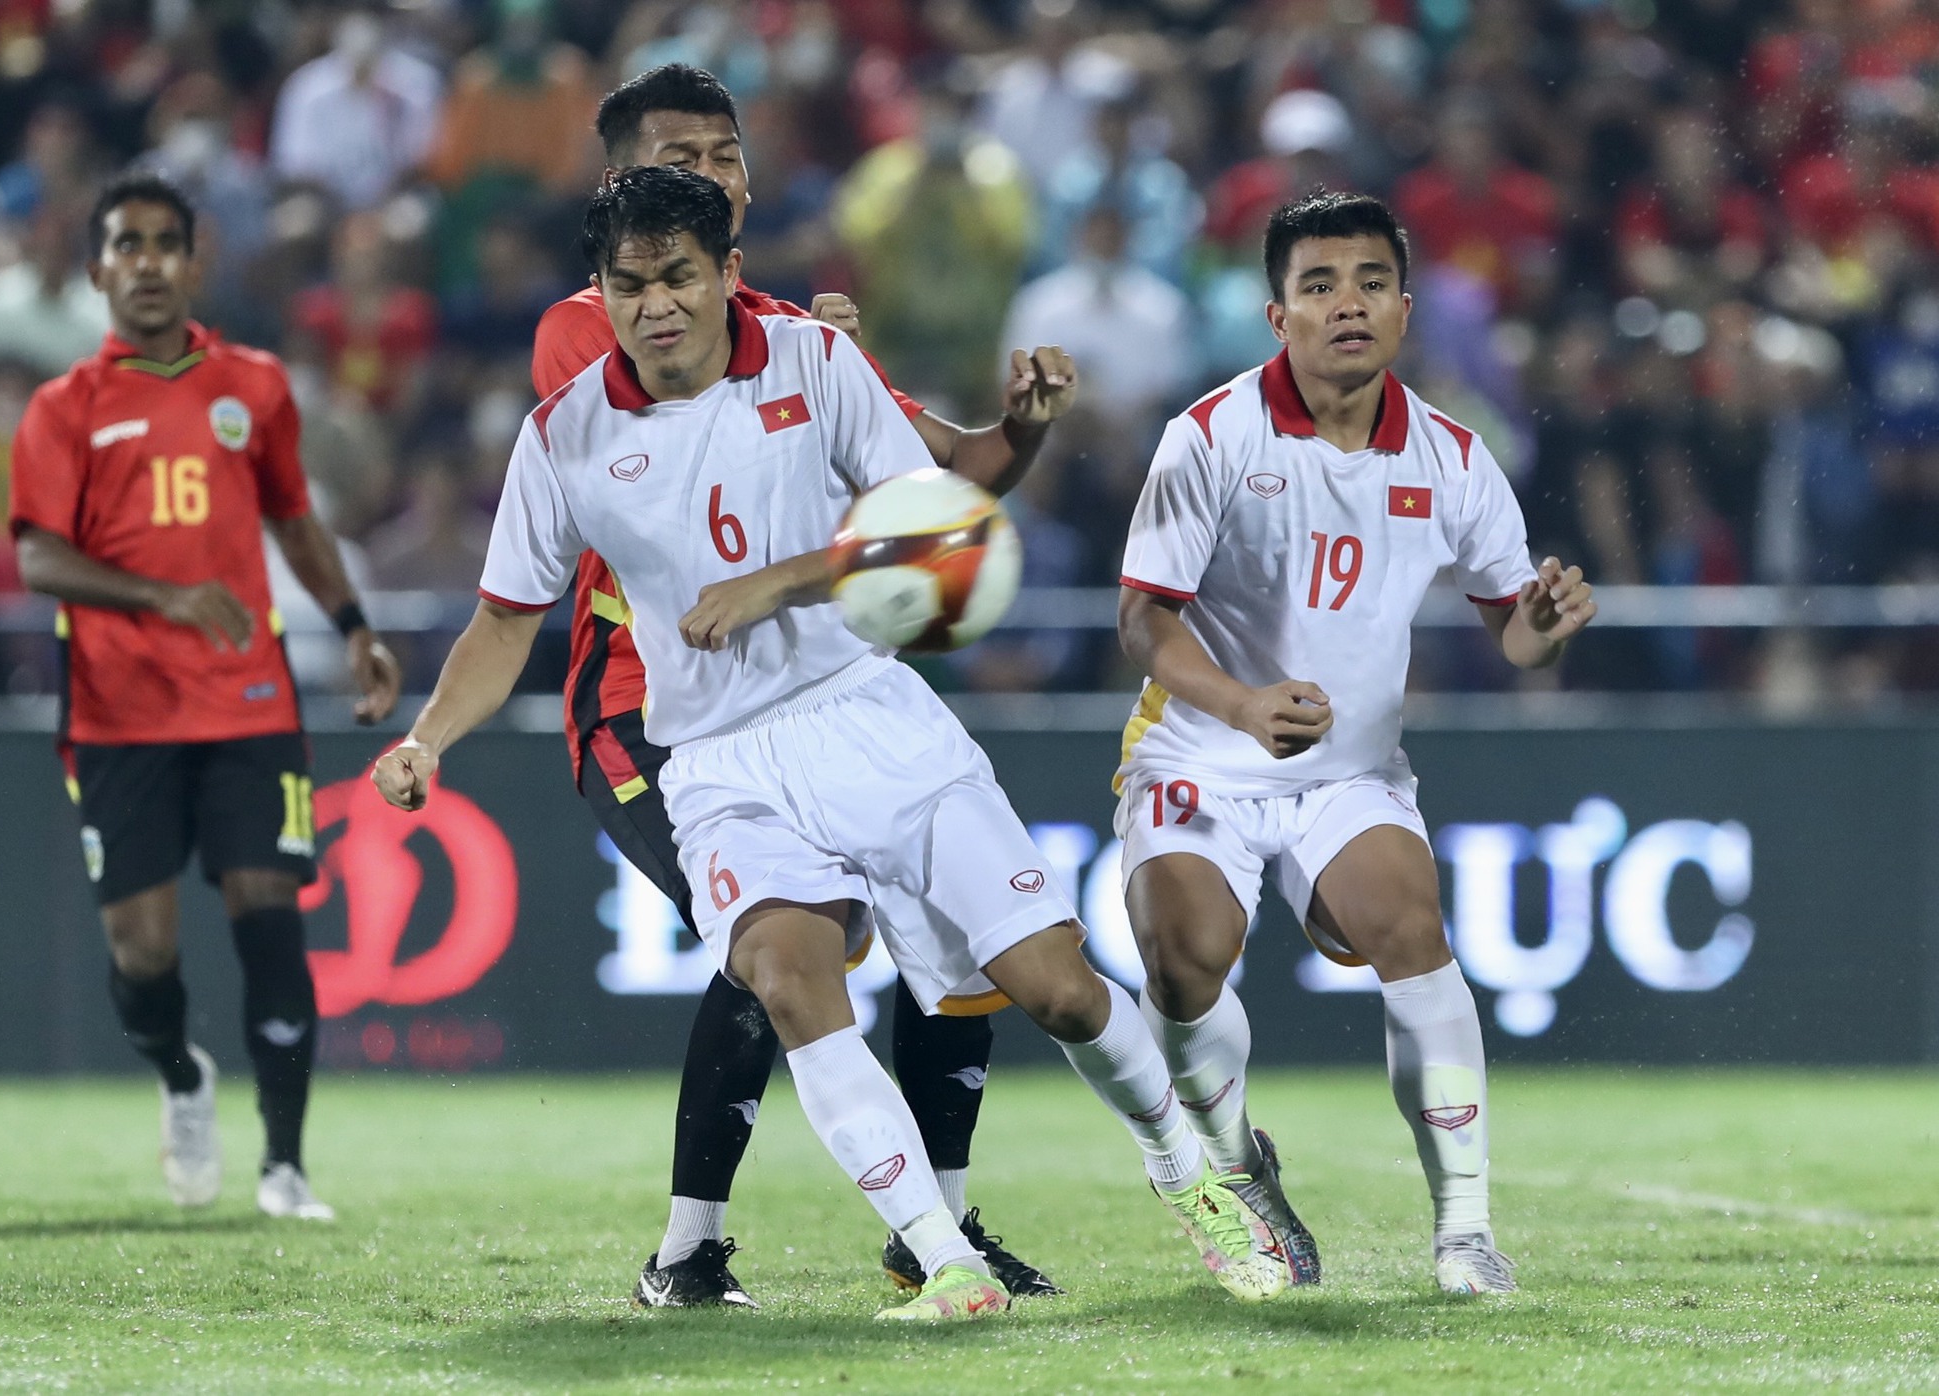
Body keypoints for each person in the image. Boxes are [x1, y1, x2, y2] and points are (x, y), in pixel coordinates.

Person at [375, 167, 1294, 1321]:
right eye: (628, 284)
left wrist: (782, 580)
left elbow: (936, 526)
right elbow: (506, 619)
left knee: (1054, 989)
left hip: (871, 718)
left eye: (677, 278)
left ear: (722, 277)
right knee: (786, 974)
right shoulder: (562, 435)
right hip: (717, 765)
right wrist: (428, 738)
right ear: (599, 294)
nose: (654, 305)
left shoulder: (811, 360)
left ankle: (1194, 1175)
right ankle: (940, 1257)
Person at [530, 64, 1074, 1309]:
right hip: (648, 711)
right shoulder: (592, 325)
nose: (713, 173)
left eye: (725, 153)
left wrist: (1022, 425)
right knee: (777, 944)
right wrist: (787, 381)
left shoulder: (792, 333)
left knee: (947, 919)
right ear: (620, 188)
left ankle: (926, 1228)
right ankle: (685, 1248)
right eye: (680, 154)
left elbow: (948, 487)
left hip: (814, 699)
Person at [1115, 190, 1597, 1296]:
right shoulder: (1209, 436)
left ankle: (1465, 1231)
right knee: (1182, 957)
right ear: (1274, 313)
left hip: (1347, 771)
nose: (1347, 304)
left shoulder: (1452, 455)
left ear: (1404, 305)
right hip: (1197, 753)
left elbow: (1509, 629)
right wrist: (1240, 706)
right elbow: (1142, 619)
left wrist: (1543, 623)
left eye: (1370, 282)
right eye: (1318, 284)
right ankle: (1237, 1166)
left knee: (1407, 924)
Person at [8, 171, 402, 1220]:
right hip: (116, 713)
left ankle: (285, 1165)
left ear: (194, 262)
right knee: (142, 955)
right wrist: (163, 596)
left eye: (164, 243)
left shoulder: (256, 385)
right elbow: (40, 561)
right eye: (125, 244)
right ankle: (181, 1073)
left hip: (248, 700)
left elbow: (293, 517)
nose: (145, 262)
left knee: (268, 915)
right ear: (97, 270)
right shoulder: (62, 407)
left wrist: (354, 622)